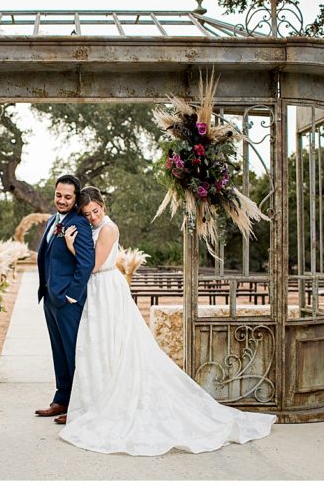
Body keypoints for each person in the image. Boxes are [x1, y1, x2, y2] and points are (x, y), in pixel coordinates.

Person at [59, 186, 277, 455]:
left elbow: (93, 265)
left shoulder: (108, 228)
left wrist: (71, 247)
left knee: (114, 342)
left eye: (96, 210)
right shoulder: (93, 226)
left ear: (103, 206)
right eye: (87, 213)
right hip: (97, 290)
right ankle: (100, 398)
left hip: (106, 287)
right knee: (100, 344)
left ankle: (115, 402)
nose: (92, 216)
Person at [34, 174, 95, 421]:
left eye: (68, 197)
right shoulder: (52, 221)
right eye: (59, 195)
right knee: (58, 351)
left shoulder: (79, 223)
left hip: (68, 301)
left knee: (72, 352)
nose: (62, 200)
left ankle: (77, 407)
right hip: (50, 297)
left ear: (75, 198)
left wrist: (72, 295)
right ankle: (61, 400)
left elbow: (86, 263)